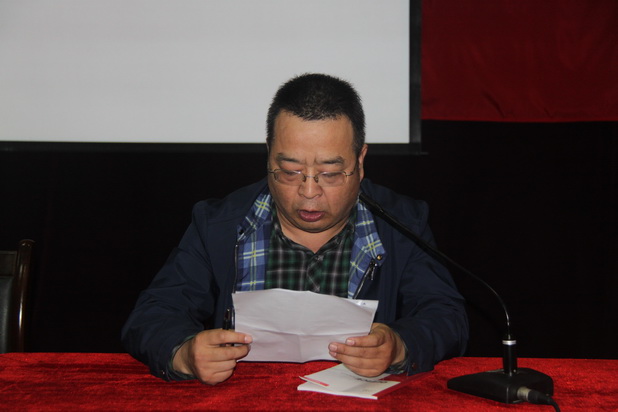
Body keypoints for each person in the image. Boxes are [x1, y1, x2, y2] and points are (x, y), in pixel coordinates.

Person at [122, 73, 468, 385]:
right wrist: (184, 352)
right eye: (289, 171)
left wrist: (399, 345)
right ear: (268, 155)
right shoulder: (220, 225)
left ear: (360, 161)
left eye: (330, 173)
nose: (309, 191)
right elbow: (152, 315)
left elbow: (446, 317)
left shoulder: (401, 224)